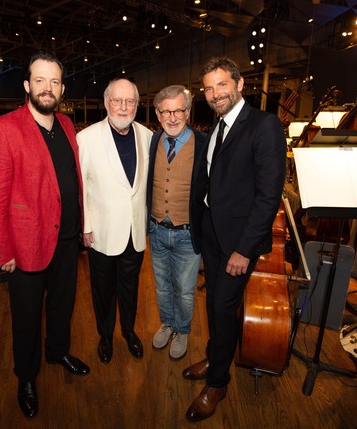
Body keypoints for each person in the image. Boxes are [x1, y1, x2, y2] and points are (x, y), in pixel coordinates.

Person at [0, 52, 89, 419]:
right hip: (26, 245)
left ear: (62, 88)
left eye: (54, 81)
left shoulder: (68, 124)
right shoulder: (4, 128)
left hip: (67, 239)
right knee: (26, 317)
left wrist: (82, 226)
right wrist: (2, 249)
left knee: (63, 305)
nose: (48, 88)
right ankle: (26, 376)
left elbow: (72, 181)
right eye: (40, 80)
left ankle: (57, 351)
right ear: (27, 86)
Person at [182, 57, 286, 422]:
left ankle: (217, 382)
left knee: (224, 309)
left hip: (238, 241)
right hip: (211, 230)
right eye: (208, 89)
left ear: (240, 84)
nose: (214, 94)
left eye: (221, 85)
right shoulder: (215, 127)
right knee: (213, 304)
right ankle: (215, 355)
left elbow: (268, 196)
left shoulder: (264, 125)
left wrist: (244, 248)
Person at [77, 78, 152, 364]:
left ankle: (129, 332)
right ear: (107, 102)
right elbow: (81, 187)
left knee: (130, 289)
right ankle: (105, 337)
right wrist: (85, 227)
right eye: (117, 101)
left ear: (137, 104)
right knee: (103, 291)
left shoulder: (147, 136)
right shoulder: (87, 138)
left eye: (129, 101)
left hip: (135, 232)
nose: (123, 107)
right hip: (101, 234)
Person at [146, 85, 206, 360]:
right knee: (162, 286)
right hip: (157, 230)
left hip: (187, 234)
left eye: (179, 110)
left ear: (188, 111)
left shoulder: (204, 144)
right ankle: (167, 323)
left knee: (184, 291)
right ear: (158, 114)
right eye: (166, 111)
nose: (172, 117)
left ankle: (182, 329)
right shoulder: (152, 141)